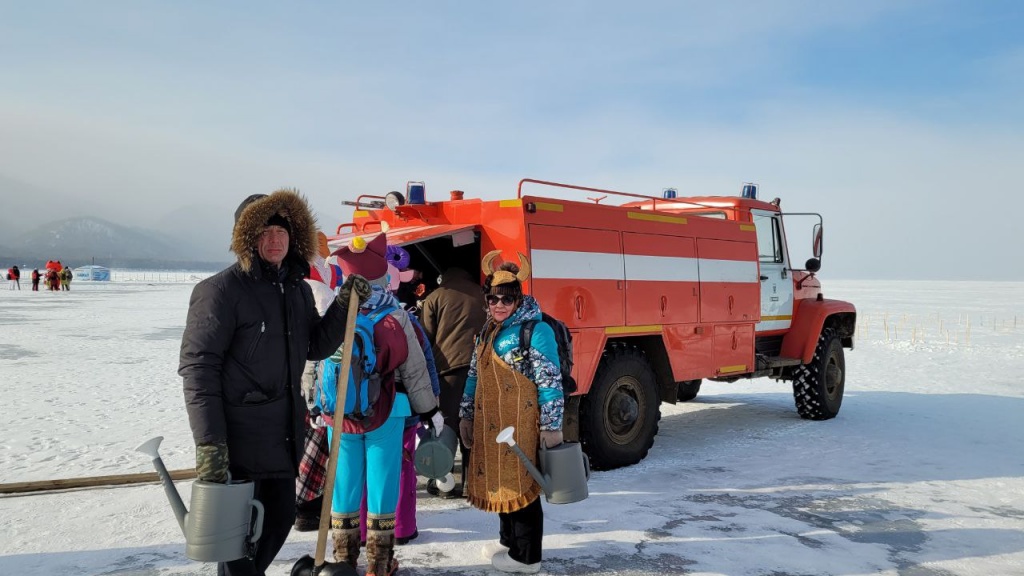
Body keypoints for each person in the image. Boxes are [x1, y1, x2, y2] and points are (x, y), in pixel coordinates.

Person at [179, 189, 371, 576]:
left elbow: (314, 345)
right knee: (237, 544)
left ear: (294, 236)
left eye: (281, 231)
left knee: (281, 517)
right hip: (239, 440)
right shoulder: (220, 292)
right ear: (245, 238)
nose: (274, 239)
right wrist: (210, 444)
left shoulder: (296, 291)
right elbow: (198, 370)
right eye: (264, 231)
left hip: (283, 437)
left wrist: (342, 306)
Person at [330, 233, 441, 576]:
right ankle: (379, 564)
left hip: (340, 415)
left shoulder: (333, 313)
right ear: (381, 277)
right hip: (387, 412)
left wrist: (317, 408)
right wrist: (430, 410)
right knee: (382, 487)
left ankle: (344, 561)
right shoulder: (394, 313)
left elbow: (315, 363)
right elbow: (415, 368)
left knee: (344, 487)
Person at [459, 251, 563, 574]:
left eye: (506, 299)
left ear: (518, 298)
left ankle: (527, 556)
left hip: (523, 424)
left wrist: (551, 425)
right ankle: (509, 542)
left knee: (523, 484)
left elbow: (549, 381)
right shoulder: (488, 331)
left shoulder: (535, 331)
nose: (499, 305)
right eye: (493, 299)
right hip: (494, 426)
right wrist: (466, 413)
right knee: (501, 483)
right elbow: (474, 376)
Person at [420, 266, 487, 497]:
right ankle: (472, 482)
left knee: (445, 426)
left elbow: (425, 338)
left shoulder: (435, 297)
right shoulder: (482, 293)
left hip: (447, 371)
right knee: (472, 425)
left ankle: (443, 482)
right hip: (478, 370)